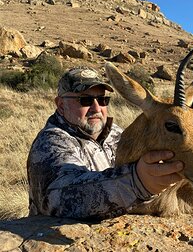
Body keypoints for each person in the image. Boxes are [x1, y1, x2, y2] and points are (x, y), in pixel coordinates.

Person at [27, 66, 184, 220]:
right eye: (85, 100)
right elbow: (63, 197)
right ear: (61, 105)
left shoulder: (115, 134)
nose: (97, 108)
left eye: (103, 100)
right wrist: (137, 182)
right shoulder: (50, 143)